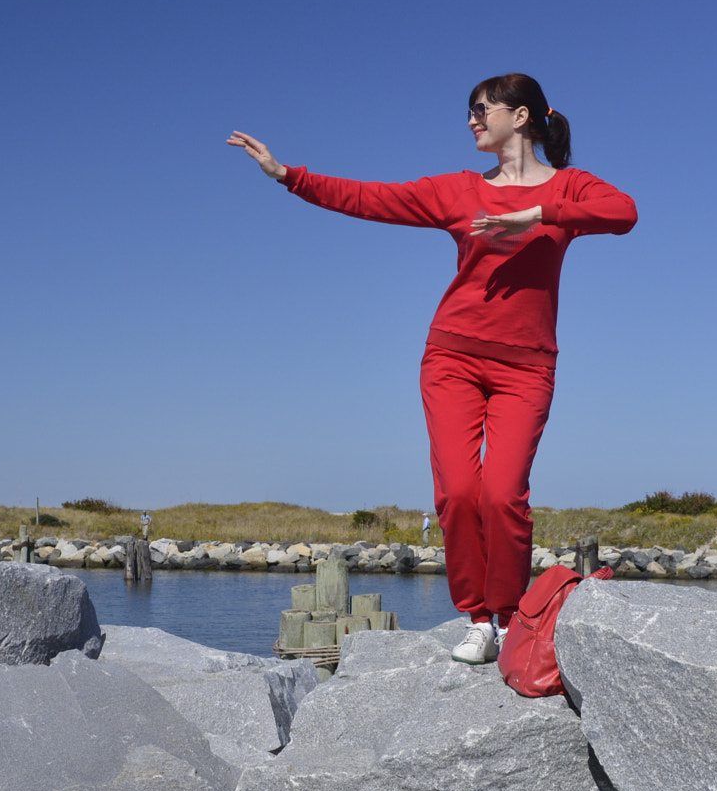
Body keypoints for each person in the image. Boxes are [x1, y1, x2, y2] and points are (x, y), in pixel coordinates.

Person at [230, 75, 636, 664]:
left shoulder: (570, 187)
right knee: (456, 492)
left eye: (480, 109)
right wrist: (288, 176)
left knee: (502, 494)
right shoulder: (459, 191)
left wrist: (536, 214)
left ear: (519, 116)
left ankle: (506, 614)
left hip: (527, 367)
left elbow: (622, 212)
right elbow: (371, 198)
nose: (471, 120)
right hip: (452, 356)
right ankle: (477, 619)